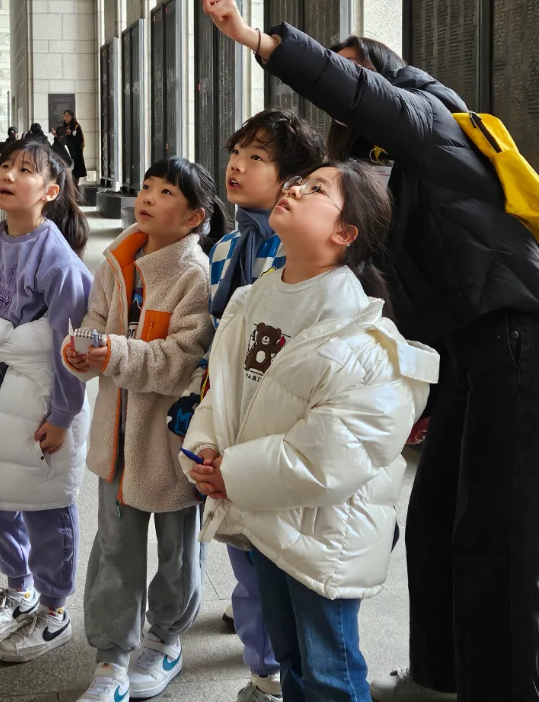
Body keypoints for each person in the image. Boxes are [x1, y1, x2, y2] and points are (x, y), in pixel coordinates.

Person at [199, 0, 539, 702]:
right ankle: (439, 675)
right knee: (434, 526)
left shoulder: (433, 119)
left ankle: (500, 688)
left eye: (351, 72)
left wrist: (258, 39)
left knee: (498, 539)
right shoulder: (377, 171)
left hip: (512, 337)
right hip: (461, 352)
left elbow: (358, 89)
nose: (343, 90)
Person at [183, 160, 439, 702]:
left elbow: (329, 456)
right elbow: (225, 386)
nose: (296, 187)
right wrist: (208, 449)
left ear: (345, 234)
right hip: (267, 518)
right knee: (292, 662)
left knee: (330, 674)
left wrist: (232, 472)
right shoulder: (255, 295)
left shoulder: (364, 337)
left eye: (316, 188)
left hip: (326, 536)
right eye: (299, 180)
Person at [167, 108, 324, 702]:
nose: (236, 164)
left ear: (291, 179)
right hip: (222, 407)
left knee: (270, 547)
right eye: (236, 152)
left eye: (256, 157)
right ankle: (265, 658)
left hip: (274, 417)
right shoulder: (228, 242)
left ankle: (271, 671)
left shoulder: (297, 253)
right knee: (238, 539)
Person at [63, 157, 225, 702]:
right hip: (115, 442)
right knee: (114, 550)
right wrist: (82, 351)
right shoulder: (119, 259)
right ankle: (110, 658)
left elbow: (181, 359)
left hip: (169, 446)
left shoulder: (193, 275)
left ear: (194, 217)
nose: (148, 196)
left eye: (165, 192)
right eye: (148, 186)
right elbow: (94, 322)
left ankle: (166, 638)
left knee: (178, 550)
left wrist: (114, 352)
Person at [0, 139, 92, 663]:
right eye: (5, 165)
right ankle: (19, 586)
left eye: (25, 169)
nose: (8, 173)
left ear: (50, 192)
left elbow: (71, 348)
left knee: (48, 502)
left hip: (45, 398)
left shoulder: (59, 260)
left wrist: (62, 416)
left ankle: (54, 610)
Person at [57, 110, 86, 187]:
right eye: (65, 115)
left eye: (68, 115)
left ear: (72, 116)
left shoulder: (76, 126)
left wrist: (72, 133)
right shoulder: (65, 127)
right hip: (68, 154)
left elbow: (79, 139)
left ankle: (75, 192)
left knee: (75, 175)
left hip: (76, 154)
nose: (66, 117)